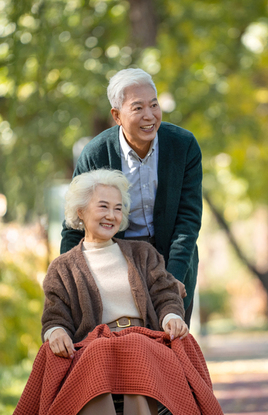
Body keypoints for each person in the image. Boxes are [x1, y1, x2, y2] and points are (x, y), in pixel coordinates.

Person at [44, 169, 189, 415]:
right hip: (94, 343)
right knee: (95, 352)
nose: (112, 215)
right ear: (80, 211)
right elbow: (54, 314)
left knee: (136, 346)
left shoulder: (143, 254)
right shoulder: (62, 268)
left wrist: (171, 315)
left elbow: (165, 293)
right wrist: (56, 331)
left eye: (118, 208)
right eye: (103, 206)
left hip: (142, 338)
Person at [60, 68, 202, 324]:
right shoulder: (96, 154)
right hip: (116, 263)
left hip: (173, 259)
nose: (149, 116)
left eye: (154, 105)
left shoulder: (183, 145)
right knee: (126, 347)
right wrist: (69, 288)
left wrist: (173, 280)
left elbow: (188, 221)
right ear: (116, 116)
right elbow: (73, 225)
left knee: (171, 345)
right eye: (137, 108)